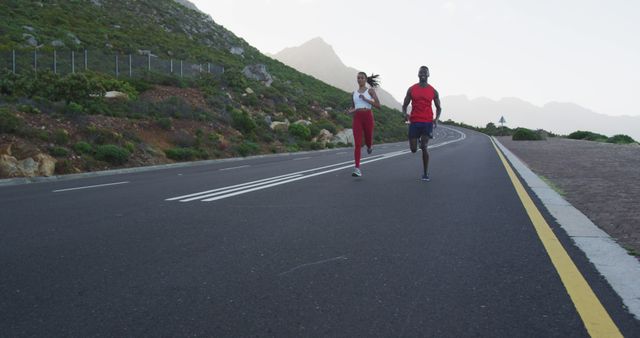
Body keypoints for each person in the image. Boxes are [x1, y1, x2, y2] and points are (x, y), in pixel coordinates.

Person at [402, 66, 442, 181]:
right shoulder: (411, 89)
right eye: (421, 72)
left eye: (425, 72)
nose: (423, 73)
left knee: (424, 147)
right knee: (413, 149)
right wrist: (405, 114)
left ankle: (425, 173)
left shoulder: (433, 91)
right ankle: (418, 141)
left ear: (428, 75)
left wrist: (436, 119)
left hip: (427, 122)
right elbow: (404, 106)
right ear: (418, 74)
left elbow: (439, 108)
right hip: (414, 121)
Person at [347, 72, 381, 177]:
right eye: (358, 78)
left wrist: (366, 99)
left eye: (362, 78)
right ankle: (357, 168)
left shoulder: (370, 91)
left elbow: (378, 105)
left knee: (368, 140)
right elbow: (353, 107)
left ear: (365, 80)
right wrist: (350, 111)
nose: (360, 79)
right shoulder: (354, 93)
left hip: (368, 117)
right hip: (357, 118)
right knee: (357, 144)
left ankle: (369, 146)